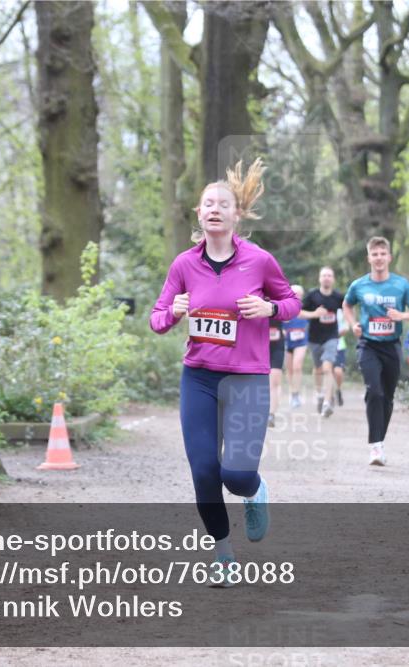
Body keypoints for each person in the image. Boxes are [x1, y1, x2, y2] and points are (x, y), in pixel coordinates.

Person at [150, 158, 301, 586]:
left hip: (247, 379)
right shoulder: (184, 265)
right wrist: (173, 312)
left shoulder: (260, 262)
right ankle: (223, 554)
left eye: (223, 204)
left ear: (237, 214)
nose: (214, 209)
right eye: (207, 204)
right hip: (198, 377)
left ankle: (255, 491)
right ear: (199, 214)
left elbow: (291, 305)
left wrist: (270, 308)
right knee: (203, 471)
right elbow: (157, 317)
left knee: (235, 475)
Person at [342, 237, 409, 466]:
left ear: (389, 257)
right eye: (374, 254)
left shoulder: (401, 285)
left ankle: (379, 441)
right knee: (374, 391)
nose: (378, 258)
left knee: (387, 398)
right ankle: (375, 447)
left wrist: (402, 316)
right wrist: (352, 324)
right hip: (368, 345)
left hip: (391, 346)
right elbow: (346, 305)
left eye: (382, 254)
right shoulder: (359, 285)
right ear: (369, 258)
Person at [299, 267, 344, 417]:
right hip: (314, 338)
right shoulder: (312, 295)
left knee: (327, 367)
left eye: (329, 276)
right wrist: (314, 314)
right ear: (319, 278)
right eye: (324, 275)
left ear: (333, 279)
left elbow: (348, 308)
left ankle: (327, 402)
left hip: (332, 337)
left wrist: (350, 324)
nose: (326, 278)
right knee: (318, 368)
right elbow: (298, 312)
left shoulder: (338, 297)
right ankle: (319, 393)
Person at [282, 284, 308, 409]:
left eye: (299, 294)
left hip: (301, 341)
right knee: (289, 369)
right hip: (287, 341)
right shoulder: (285, 305)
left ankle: (296, 394)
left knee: (297, 366)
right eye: (294, 293)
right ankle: (292, 393)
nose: (297, 296)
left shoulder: (306, 308)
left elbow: (312, 319)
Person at [268, 318, 285, 426]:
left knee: (274, 381)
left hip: (277, 346)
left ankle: (271, 414)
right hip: (257, 346)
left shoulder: (279, 301)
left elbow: (290, 314)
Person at [332, 308, 349, 407]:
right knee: (328, 372)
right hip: (324, 345)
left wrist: (332, 335)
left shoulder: (340, 311)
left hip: (339, 346)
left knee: (338, 372)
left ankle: (338, 390)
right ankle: (327, 397)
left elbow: (346, 328)